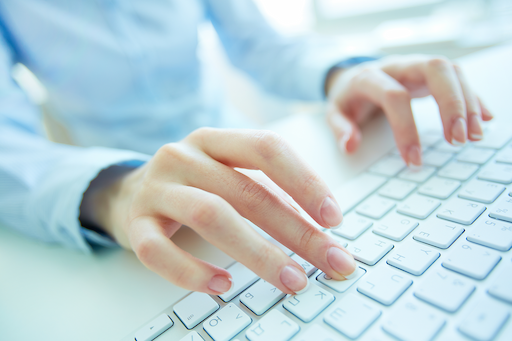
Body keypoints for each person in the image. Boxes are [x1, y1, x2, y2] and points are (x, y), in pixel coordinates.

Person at [0, 1, 492, 297]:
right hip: (135, 208)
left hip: (248, 165)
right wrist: (113, 190)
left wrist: (341, 71)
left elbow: (258, 43)